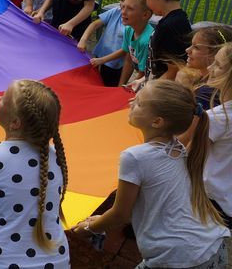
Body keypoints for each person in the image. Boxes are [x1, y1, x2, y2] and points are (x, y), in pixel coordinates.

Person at [72, 80, 229, 268]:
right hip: (213, 245)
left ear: (157, 122)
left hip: (179, 257)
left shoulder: (135, 157)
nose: (131, 102)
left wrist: (88, 228)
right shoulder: (177, 149)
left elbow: (120, 214)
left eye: (138, 103)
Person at [0, 80, 69, 268]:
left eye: (4, 98)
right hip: (57, 261)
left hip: (1, 263)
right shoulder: (56, 157)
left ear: (15, 123)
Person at [79, 0, 152, 87]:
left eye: (130, 8)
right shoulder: (129, 29)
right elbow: (128, 59)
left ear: (145, 15)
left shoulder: (146, 41)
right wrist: (121, 86)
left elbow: (143, 74)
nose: (123, 12)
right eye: (123, 6)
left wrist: (128, 88)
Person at [205, 43, 232, 261]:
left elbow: (188, 152)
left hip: (211, 199)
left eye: (217, 64)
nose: (210, 68)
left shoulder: (217, 117)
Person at [141, 0, 192, 81]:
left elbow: (173, 70)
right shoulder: (177, 19)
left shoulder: (170, 26)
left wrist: (149, 88)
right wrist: (141, 80)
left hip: (161, 87)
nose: (147, 4)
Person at [177, 27, 232, 109]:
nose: (187, 50)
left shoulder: (207, 94)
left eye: (196, 47)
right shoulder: (198, 80)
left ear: (216, 53)